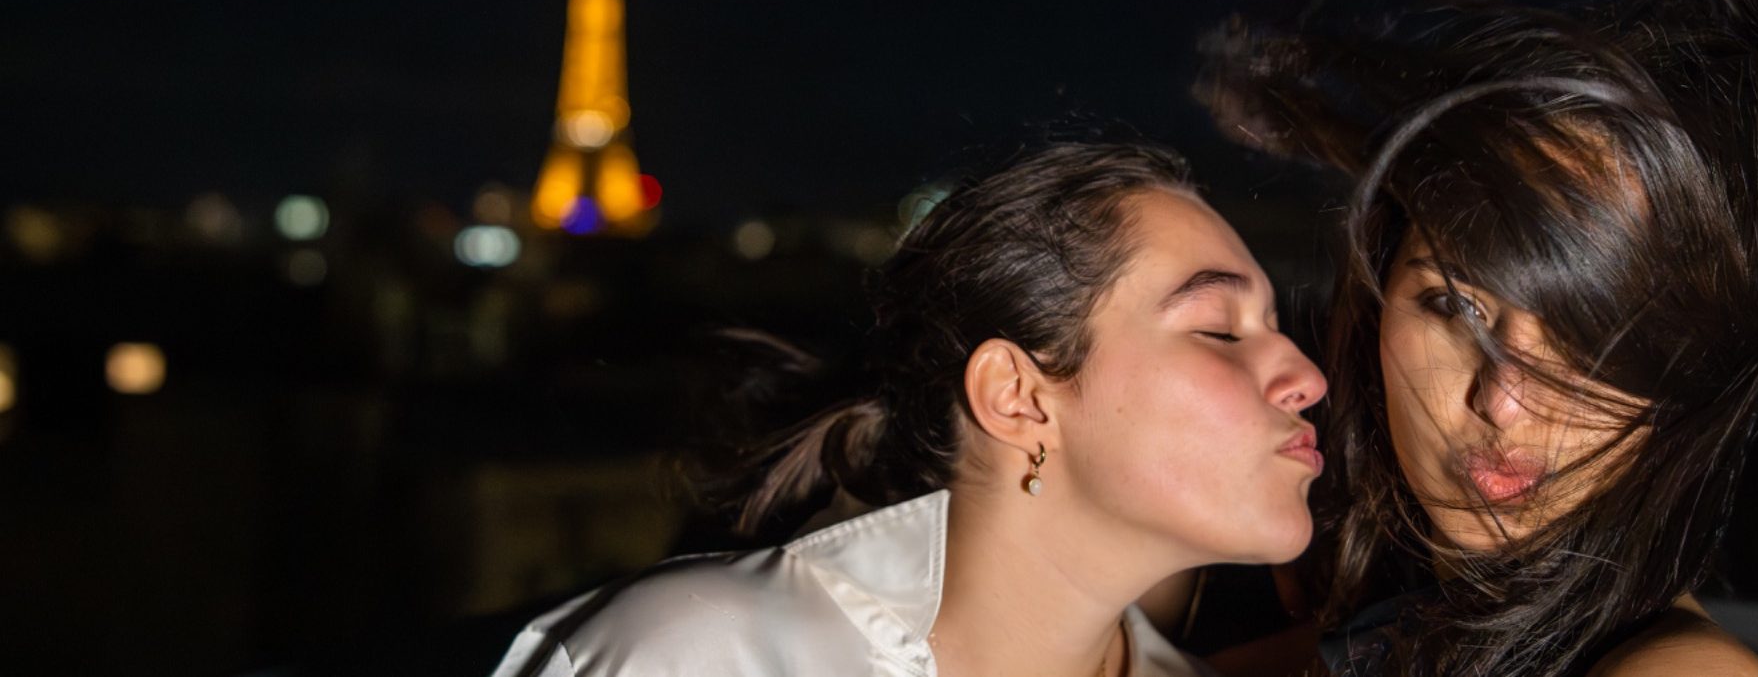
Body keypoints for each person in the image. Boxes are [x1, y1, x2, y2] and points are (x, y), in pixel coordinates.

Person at [1201, 0, 1758, 675]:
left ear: (1685, 368)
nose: (1504, 399)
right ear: (1377, 306)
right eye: (1456, 306)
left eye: (1592, 329)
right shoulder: (1396, 638)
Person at [492, 141, 1329, 677]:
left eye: (1278, 327)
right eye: (1219, 330)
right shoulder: (708, 656)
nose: (1307, 377)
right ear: (1016, 397)